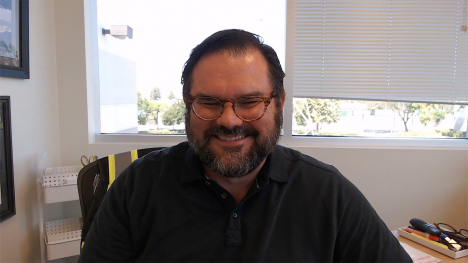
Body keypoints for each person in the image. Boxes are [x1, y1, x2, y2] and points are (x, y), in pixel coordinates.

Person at [79, 29, 412, 262]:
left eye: (250, 101)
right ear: (187, 103)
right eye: (209, 101)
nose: (229, 120)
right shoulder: (136, 187)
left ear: (278, 103)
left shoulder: (328, 193)